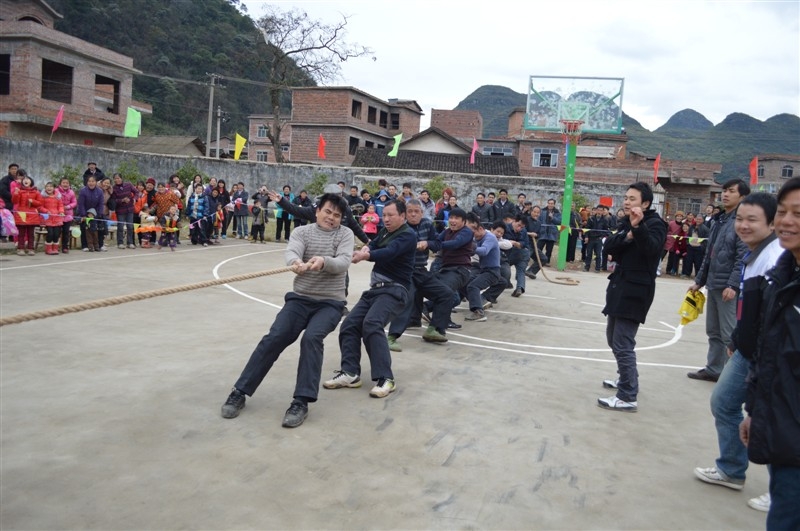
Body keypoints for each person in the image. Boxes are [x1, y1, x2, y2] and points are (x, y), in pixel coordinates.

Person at [220, 193, 354, 428]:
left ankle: (301, 402)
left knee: (312, 339)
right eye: (328, 212)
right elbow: (292, 252)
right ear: (317, 211)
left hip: (330, 303)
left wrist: (323, 261)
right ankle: (239, 391)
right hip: (299, 300)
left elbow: (343, 261)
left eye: (337, 215)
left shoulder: (345, 234)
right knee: (274, 337)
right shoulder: (302, 232)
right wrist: (294, 263)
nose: (331, 218)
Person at [693, 193, 782, 512]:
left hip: (768, 352)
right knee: (725, 402)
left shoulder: (776, 257)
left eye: (752, 220)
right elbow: (752, 309)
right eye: (740, 219)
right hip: (748, 346)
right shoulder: (756, 254)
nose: (743, 225)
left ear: (771, 223)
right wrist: (738, 338)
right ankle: (731, 469)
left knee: (770, 415)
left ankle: (782, 491)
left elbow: (773, 315)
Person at [739, 177, 800, 529]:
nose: (787, 221)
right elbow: (770, 353)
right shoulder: (784, 273)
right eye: (784, 212)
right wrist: (755, 412)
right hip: (782, 426)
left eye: (798, 213)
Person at [324, 200, 417, 399]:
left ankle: (386, 378)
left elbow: (388, 252)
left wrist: (367, 256)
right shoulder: (384, 232)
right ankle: (350, 373)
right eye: (385, 216)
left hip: (394, 291)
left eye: (391, 215)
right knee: (349, 325)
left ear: (403, 216)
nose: (387, 219)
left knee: (372, 324)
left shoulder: (408, 235)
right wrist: (362, 252)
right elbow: (372, 245)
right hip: (375, 291)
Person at [598, 182, 666, 412]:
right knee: (612, 338)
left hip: (636, 290)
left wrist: (638, 229)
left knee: (623, 342)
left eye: (632, 199)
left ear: (645, 203)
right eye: (625, 198)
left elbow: (651, 249)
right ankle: (625, 378)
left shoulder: (656, 224)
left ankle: (627, 395)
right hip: (619, 286)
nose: (627, 202)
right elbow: (610, 249)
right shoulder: (625, 223)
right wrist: (628, 233)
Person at [687, 178, 750, 382]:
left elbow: (743, 257)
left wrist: (733, 284)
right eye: (724, 190)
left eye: (731, 191)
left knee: (729, 334)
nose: (725, 194)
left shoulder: (742, 222)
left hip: (727, 288)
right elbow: (710, 255)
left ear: (742, 196)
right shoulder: (720, 220)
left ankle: (734, 377)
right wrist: (699, 281)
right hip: (714, 284)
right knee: (713, 331)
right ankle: (714, 369)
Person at [386, 199, 454, 350]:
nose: (413, 214)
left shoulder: (427, 225)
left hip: (422, 271)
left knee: (446, 294)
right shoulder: (400, 228)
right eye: (410, 211)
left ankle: (433, 329)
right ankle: (391, 336)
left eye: (417, 211)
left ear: (422, 213)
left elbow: (437, 244)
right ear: (404, 214)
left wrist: (427, 244)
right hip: (405, 272)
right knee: (406, 300)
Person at [463, 212, 501, 322]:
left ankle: (478, 312)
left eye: (473, 232)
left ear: (480, 228)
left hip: (492, 272)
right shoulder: (478, 238)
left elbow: (484, 251)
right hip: (483, 270)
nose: (472, 236)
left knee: (473, 286)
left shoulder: (490, 237)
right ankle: (480, 302)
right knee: (464, 283)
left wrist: (468, 248)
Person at [481, 221, 514, 306]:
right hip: (479, 265)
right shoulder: (484, 235)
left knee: (503, 280)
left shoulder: (501, 241)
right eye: (497, 231)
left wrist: (495, 243)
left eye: (501, 233)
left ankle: (487, 297)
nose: (499, 234)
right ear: (492, 229)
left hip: (494, 265)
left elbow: (509, 244)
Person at [12, 174, 43, 256]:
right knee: (21, 233)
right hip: (21, 214)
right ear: (22, 182)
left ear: (31, 182)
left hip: (32, 215)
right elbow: (15, 201)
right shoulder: (19, 191)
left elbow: (40, 203)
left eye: (28, 179)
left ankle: (31, 249)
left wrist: (33, 201)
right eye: (24, 179)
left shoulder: (36, 192)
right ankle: (20, 248)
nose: (26, 180)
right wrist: (15, 193)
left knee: (31, 234)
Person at [76, 175, 105, 252]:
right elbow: (81, 204)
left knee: (99, 229)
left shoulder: (100, 191)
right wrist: (84, 215)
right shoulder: (83, 191)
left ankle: (100, 245)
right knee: (84, 228)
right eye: (89, 181)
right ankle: (85, 245)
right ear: (87, 182)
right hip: (85, 213)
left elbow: (101, 204)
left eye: (93, 181)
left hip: (96, 214)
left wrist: (98, 214)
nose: (91, 183)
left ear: (96, 182)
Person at [505, 214, 531, 297]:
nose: (519, 228)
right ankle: (506, 283)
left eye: (522, 227)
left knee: (521, 271)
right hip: (508, 253)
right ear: (514, 221)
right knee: (504, 270)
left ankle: (519, 288)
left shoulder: (523, 231)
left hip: (522, 254)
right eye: (518, 225)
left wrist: (516, 243)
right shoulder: (505, 228)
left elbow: (525, 243)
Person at [111, 173, 137, 249]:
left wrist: (134, 198)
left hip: (130, 209)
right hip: (120, 210)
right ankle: (120, 243)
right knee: (120, 227)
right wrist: (121, 200)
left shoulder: (128, 185)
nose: (117, 180)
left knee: (130, 226)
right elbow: (113, 200)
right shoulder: (114, 188)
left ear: (122, 178)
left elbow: (136, 192)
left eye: (118, 178)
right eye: (115, 178)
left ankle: (130, 242)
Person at [40, 181, 64, 255]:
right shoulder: (43, 197)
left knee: (56, 234)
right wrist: (46, 211)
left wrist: (61, 211)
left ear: (54, 188)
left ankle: (55, 248)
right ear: (45, 188)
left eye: (51, 186)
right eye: (47, 186)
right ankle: (48, 249)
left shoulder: (58, 197)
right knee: (50, 233)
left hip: (57, 218)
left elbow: (60, 206)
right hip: (48, 218)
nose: (49, 188)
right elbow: (40, 206)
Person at [584, 205, 609, 272]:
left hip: (599, 239)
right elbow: (587, 229)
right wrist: (586, 237)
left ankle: (597, 268)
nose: (599, 212)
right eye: (598, 210)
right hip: (591, 238)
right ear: (596, 210)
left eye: (601, 210)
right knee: (589, 253)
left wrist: (602, 235)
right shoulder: (591, 219)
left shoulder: (605, 220)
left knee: (598, 254)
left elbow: (606, 231)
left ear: (603, 211)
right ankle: (586, 267)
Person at [537, 198, 562, 266]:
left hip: (552, 234)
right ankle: (537, 261)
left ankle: (547, 262)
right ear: (547, 204)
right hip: (543, 233)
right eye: (549, 203)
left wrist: (552, 217)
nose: (550, 205)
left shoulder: (557, 212)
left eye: (552, 203)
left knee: (549, 249)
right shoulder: (542, 211)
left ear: (554, 204)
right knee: (538, 248)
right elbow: (538, 220)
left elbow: (559, 222)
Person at [57, 177, 77, 254]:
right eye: (63, 183)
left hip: (68, 215)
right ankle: (56, 246)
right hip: (58, 214)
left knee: (66, 232)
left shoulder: (71, 192)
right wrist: (60, 207)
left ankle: (65, 247)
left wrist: (68, 207)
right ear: (60, 184)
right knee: (57, 232)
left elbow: (74, 202)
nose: (65, 184)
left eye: (67, 183)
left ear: (69, 184)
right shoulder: (56, 191)